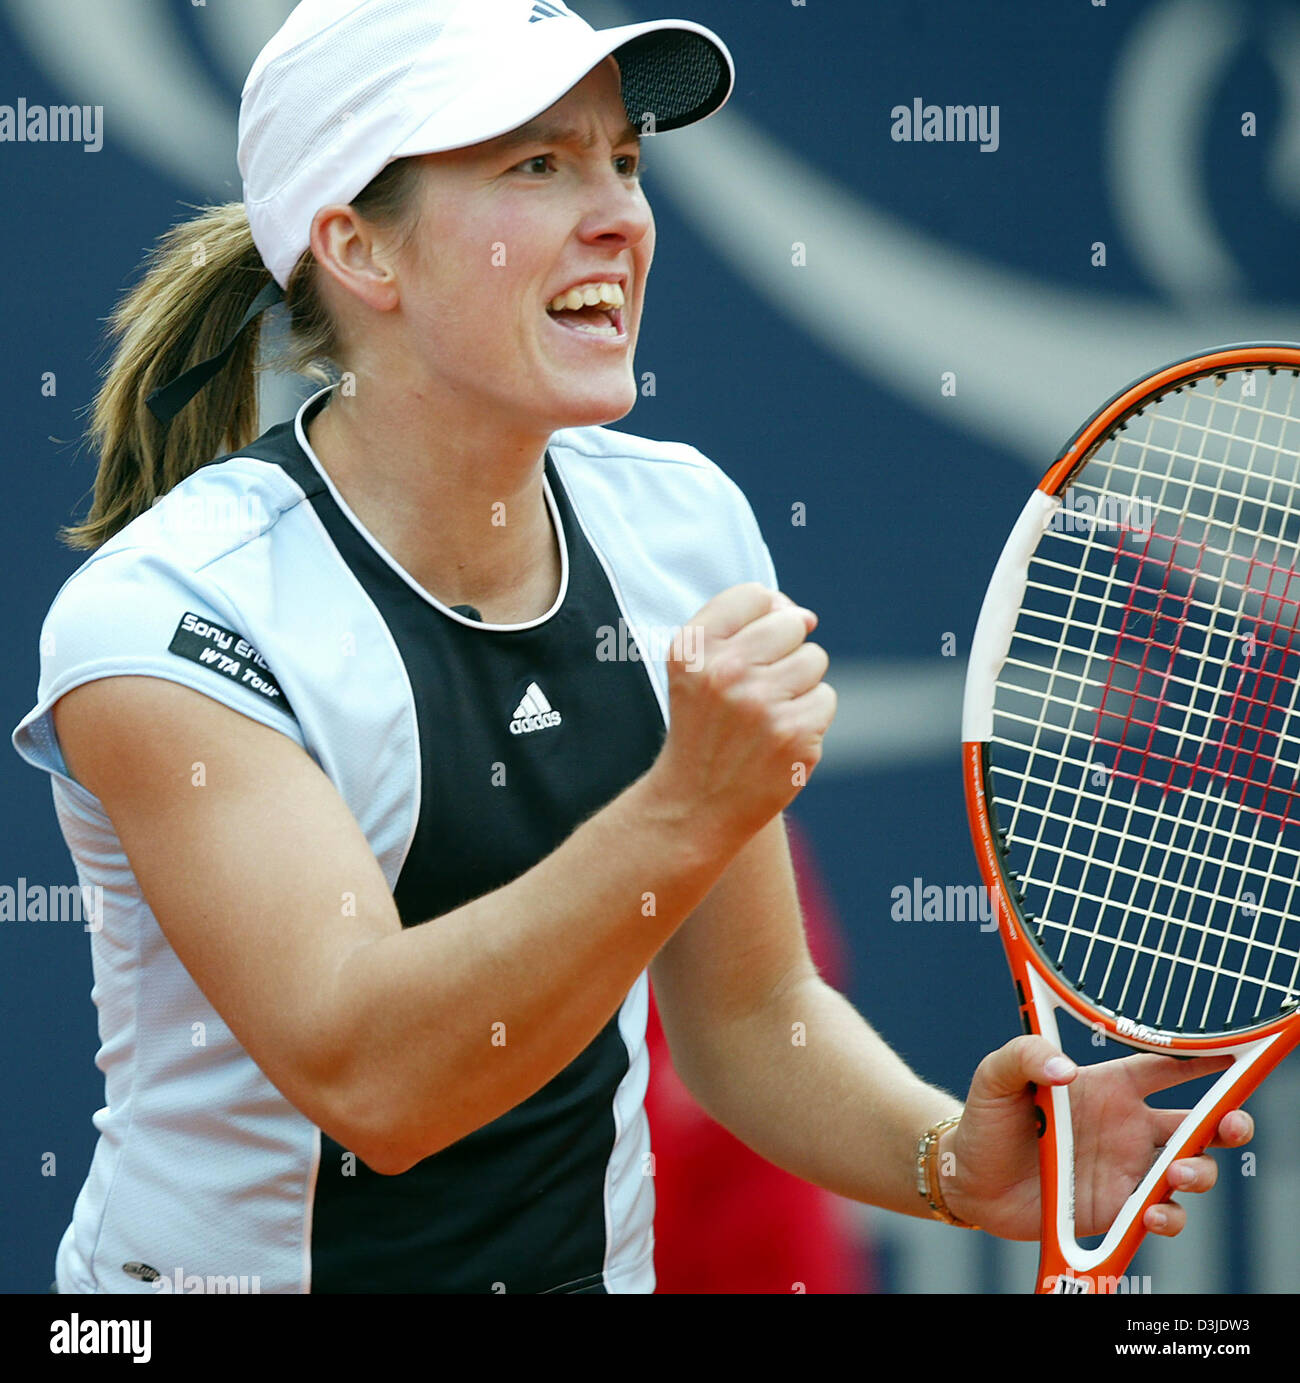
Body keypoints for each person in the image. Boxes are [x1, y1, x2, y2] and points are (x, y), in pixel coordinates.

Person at [13, 0, 1251, 1295]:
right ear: (357, 250)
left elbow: (747, 1018)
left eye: (624, 159)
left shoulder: (681, 524)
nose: (619, 214)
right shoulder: (172, 617)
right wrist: (681, 811)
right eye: (536, 164)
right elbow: (371, 1079)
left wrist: (947, 1160)